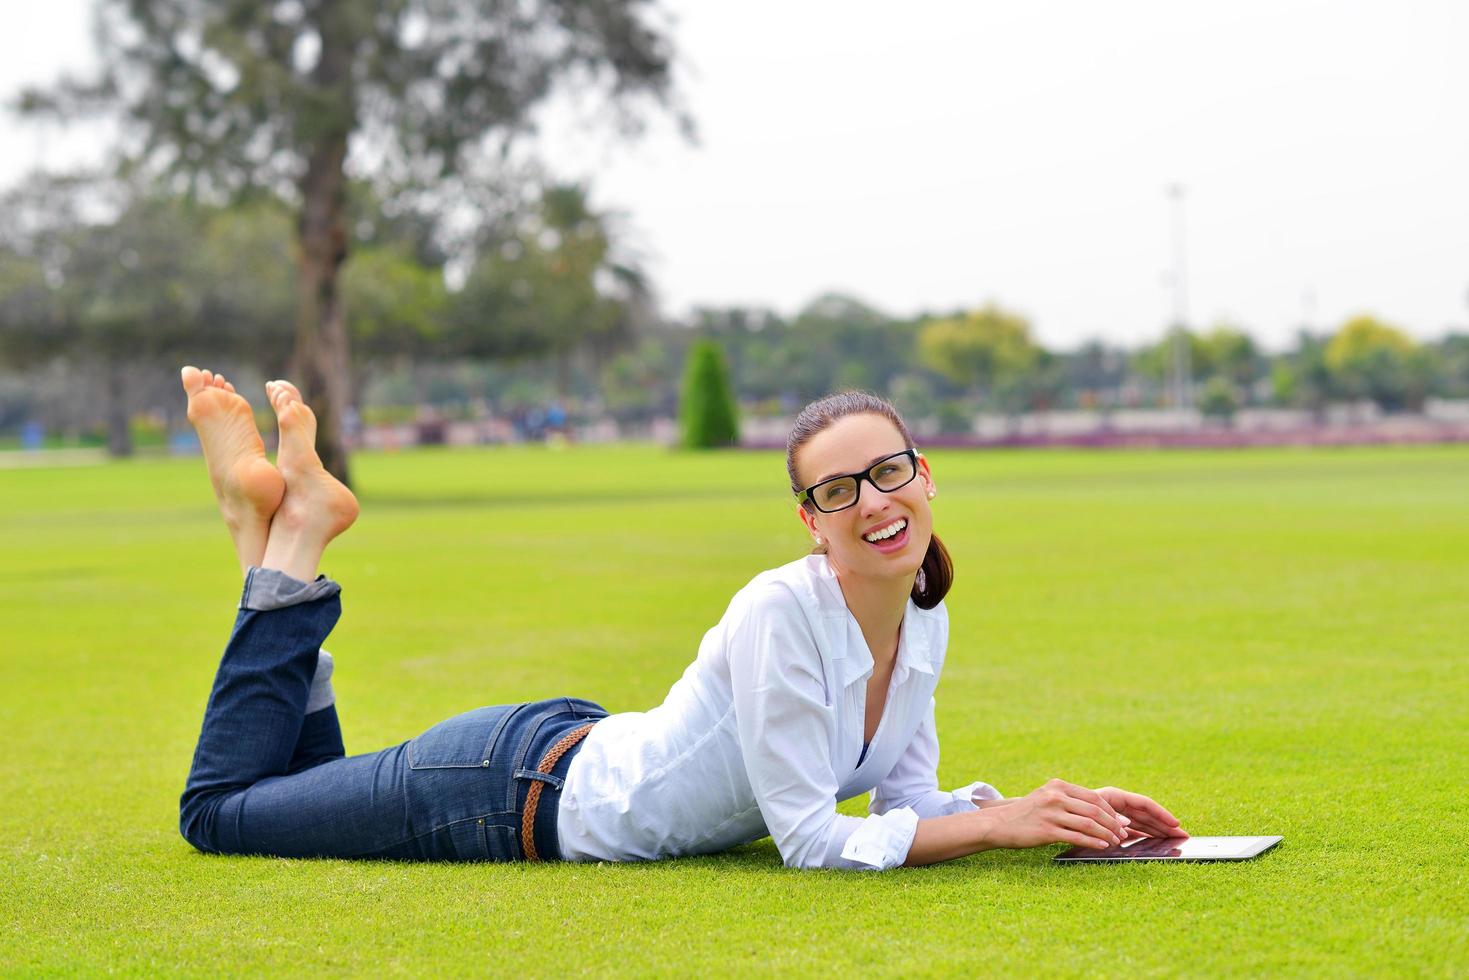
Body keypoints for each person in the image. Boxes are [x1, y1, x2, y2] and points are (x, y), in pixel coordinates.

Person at [178, 369, 1187, 869]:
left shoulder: (920, 615)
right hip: (499, 792)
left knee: (288, 789)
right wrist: (995, 826)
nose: (874, 502)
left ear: (922, 474)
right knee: (221, 813)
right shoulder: (778, 611)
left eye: (887, 472)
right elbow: (804, 835)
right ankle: (283, 535)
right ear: (811, 521)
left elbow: (901, 797)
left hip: (562, 749)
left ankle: (272, 533)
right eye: (840, 490)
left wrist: (1045, 808)